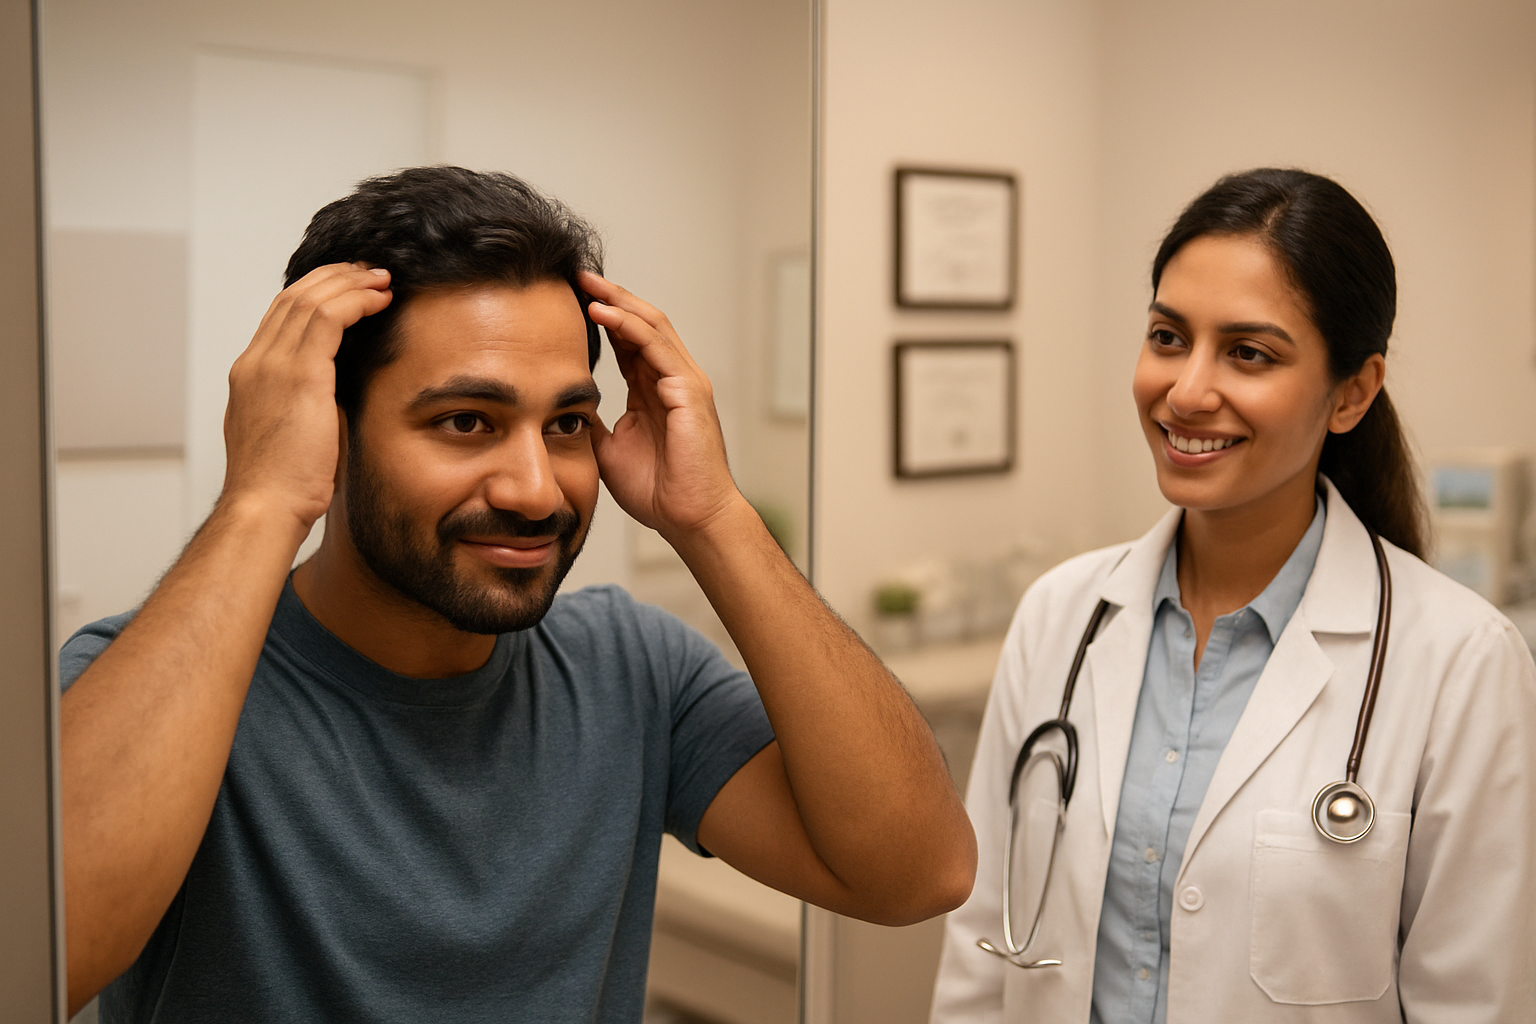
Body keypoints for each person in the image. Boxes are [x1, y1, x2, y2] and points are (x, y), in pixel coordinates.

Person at [60, 166, 976, 1022]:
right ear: (326, 428)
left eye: (567, 423)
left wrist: (715, 518)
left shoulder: (632, 669)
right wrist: (260, 500)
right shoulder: (142, 681)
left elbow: (918, 874)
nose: (537, 491)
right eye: (467, 421)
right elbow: (50, 950)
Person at [930, 168, 1536, 1023]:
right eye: (1168, 337)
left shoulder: (1462, 662)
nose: (1186, 391)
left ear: (1353, 393)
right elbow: (981, 950)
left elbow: (1477, 1002)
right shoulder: (1060, 615)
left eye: (1249, 353)